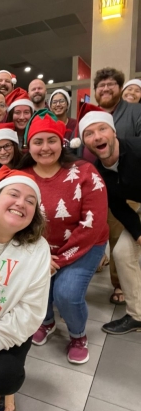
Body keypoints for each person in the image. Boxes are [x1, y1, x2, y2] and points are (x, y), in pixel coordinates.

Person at [16, 110, 108, 364]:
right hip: (39, 248)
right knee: (37, 286)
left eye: (51, 140)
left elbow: (93, 223)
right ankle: (46, 322)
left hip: (85, 245)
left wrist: (60, 258)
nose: (45, 148)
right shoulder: (20, 177)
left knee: (66, 293)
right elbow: (14, 219)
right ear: (28, 146)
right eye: (38, 141)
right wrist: (40, 255)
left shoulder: (85, 172)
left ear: (62, 143)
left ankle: (78, 335)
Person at [0, 167, 50, 411]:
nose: (21, 203)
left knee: (3, 376)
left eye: (30, 201)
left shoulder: (38, 249)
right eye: (14, 194)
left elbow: (31, 313)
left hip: (6, 330)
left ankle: (5, 391)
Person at [78, 107, 141, 334]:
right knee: (122, 252)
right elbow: (119, 207)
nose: (97, 136)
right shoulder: (98, 172)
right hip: (137, 207)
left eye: (102, 129)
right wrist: (138, 233)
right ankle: (138, 316)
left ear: (114, 132)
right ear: (85, 143)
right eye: (89, 133)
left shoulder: (137, 148)